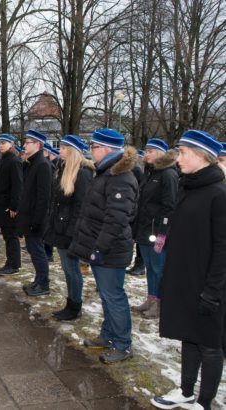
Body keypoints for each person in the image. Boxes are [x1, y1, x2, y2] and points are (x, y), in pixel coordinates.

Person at [151, 130, 226, 410]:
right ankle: (185, 390)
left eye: (182, 152)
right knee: (188, 336)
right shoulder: (188, 186)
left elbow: (223, 248)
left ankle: (204, 402)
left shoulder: (219, 194)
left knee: (209, 343)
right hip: (183, 278)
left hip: (207, 284)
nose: (178, 158)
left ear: (201, 156)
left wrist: (212, 291)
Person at [69, 128, 138, 364]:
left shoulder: (121, 178)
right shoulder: (107, 173)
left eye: (94, 147)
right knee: (108, 297)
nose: (91, 151)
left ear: (108, 149)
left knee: (114, 296)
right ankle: (108, 335)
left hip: (110, 250)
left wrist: (99, 249)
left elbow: (116, 220)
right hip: (101, 247)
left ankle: (123, 344)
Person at [45, 135, 94, 319]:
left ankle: (75, 306)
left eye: (64, 147)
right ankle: (70, 303)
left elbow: (81, 206)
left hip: (69, 230)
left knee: (72, 270)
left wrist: (72, 231)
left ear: (73, 151)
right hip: (60, 227)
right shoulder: (63, 168)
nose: (60, 150)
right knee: (66, 268)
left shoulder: (82, 173)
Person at [131, 138, 178, 319]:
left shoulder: (168, 174)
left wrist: (162, 233)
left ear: (160, 153)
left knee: (158, 268)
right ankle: (150, 299)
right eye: (147, 150)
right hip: (144, 229)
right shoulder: (149, 172)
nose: (147, 154)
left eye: (151, 151)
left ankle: (158, 304)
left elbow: (170, 206)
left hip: (156, 232)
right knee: (150, 267)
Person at [16, 130, 53, 296]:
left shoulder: (42, 165)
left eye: (27, 142)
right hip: (29, 217)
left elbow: (43, 198)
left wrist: (36, 222)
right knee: (33, 250)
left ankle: (44, 284)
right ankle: (38, 280)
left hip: (35, 220)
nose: (24, 145)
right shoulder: (31, 163)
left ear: (37, 144)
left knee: (38, 252)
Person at [0, 134, 23, 275]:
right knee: (7, 235)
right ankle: (9, 262)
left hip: (9, 207)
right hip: (3, 204)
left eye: (3, 143)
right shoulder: (5, 160)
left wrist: (14, 206)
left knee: (11, 236)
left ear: (11, 144)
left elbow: (18, 185)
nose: (0, 145)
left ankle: (14, 264)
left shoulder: (14, 161)